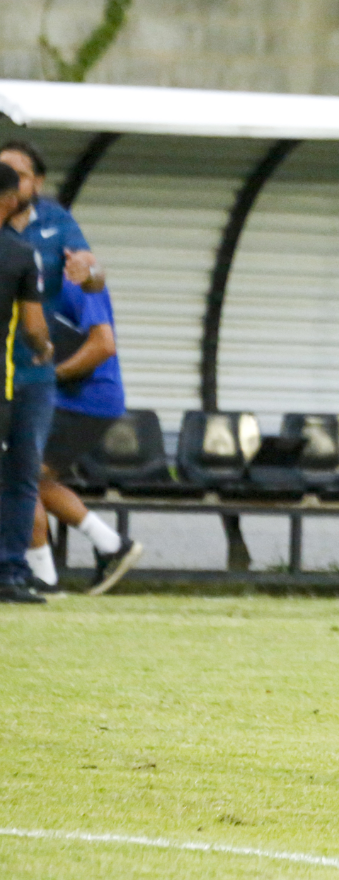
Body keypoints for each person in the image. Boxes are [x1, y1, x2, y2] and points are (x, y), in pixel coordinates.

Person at [0, 141, 104, 594]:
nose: (9, 179)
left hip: (35, 374)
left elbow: (94, 276)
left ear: (36, 182)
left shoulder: (56, 222)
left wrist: (89, 270)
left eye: (17, 172)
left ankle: (14, 570)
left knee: (24, 475)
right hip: (10, 365)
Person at [27, 277, 142, 595]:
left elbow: (103, 345)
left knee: (16, 480)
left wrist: (48, 377)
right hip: (72, 402)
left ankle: (43, 579)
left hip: (84, 401)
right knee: (31, 480)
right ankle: (111, 545)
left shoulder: (75, 275)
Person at [0, 162, 55, 603]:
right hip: (5, 384)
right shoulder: (19, 254)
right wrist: (44, 348)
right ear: (11, 199)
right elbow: (34, 327)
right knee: (16, 479)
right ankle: (9, 573)